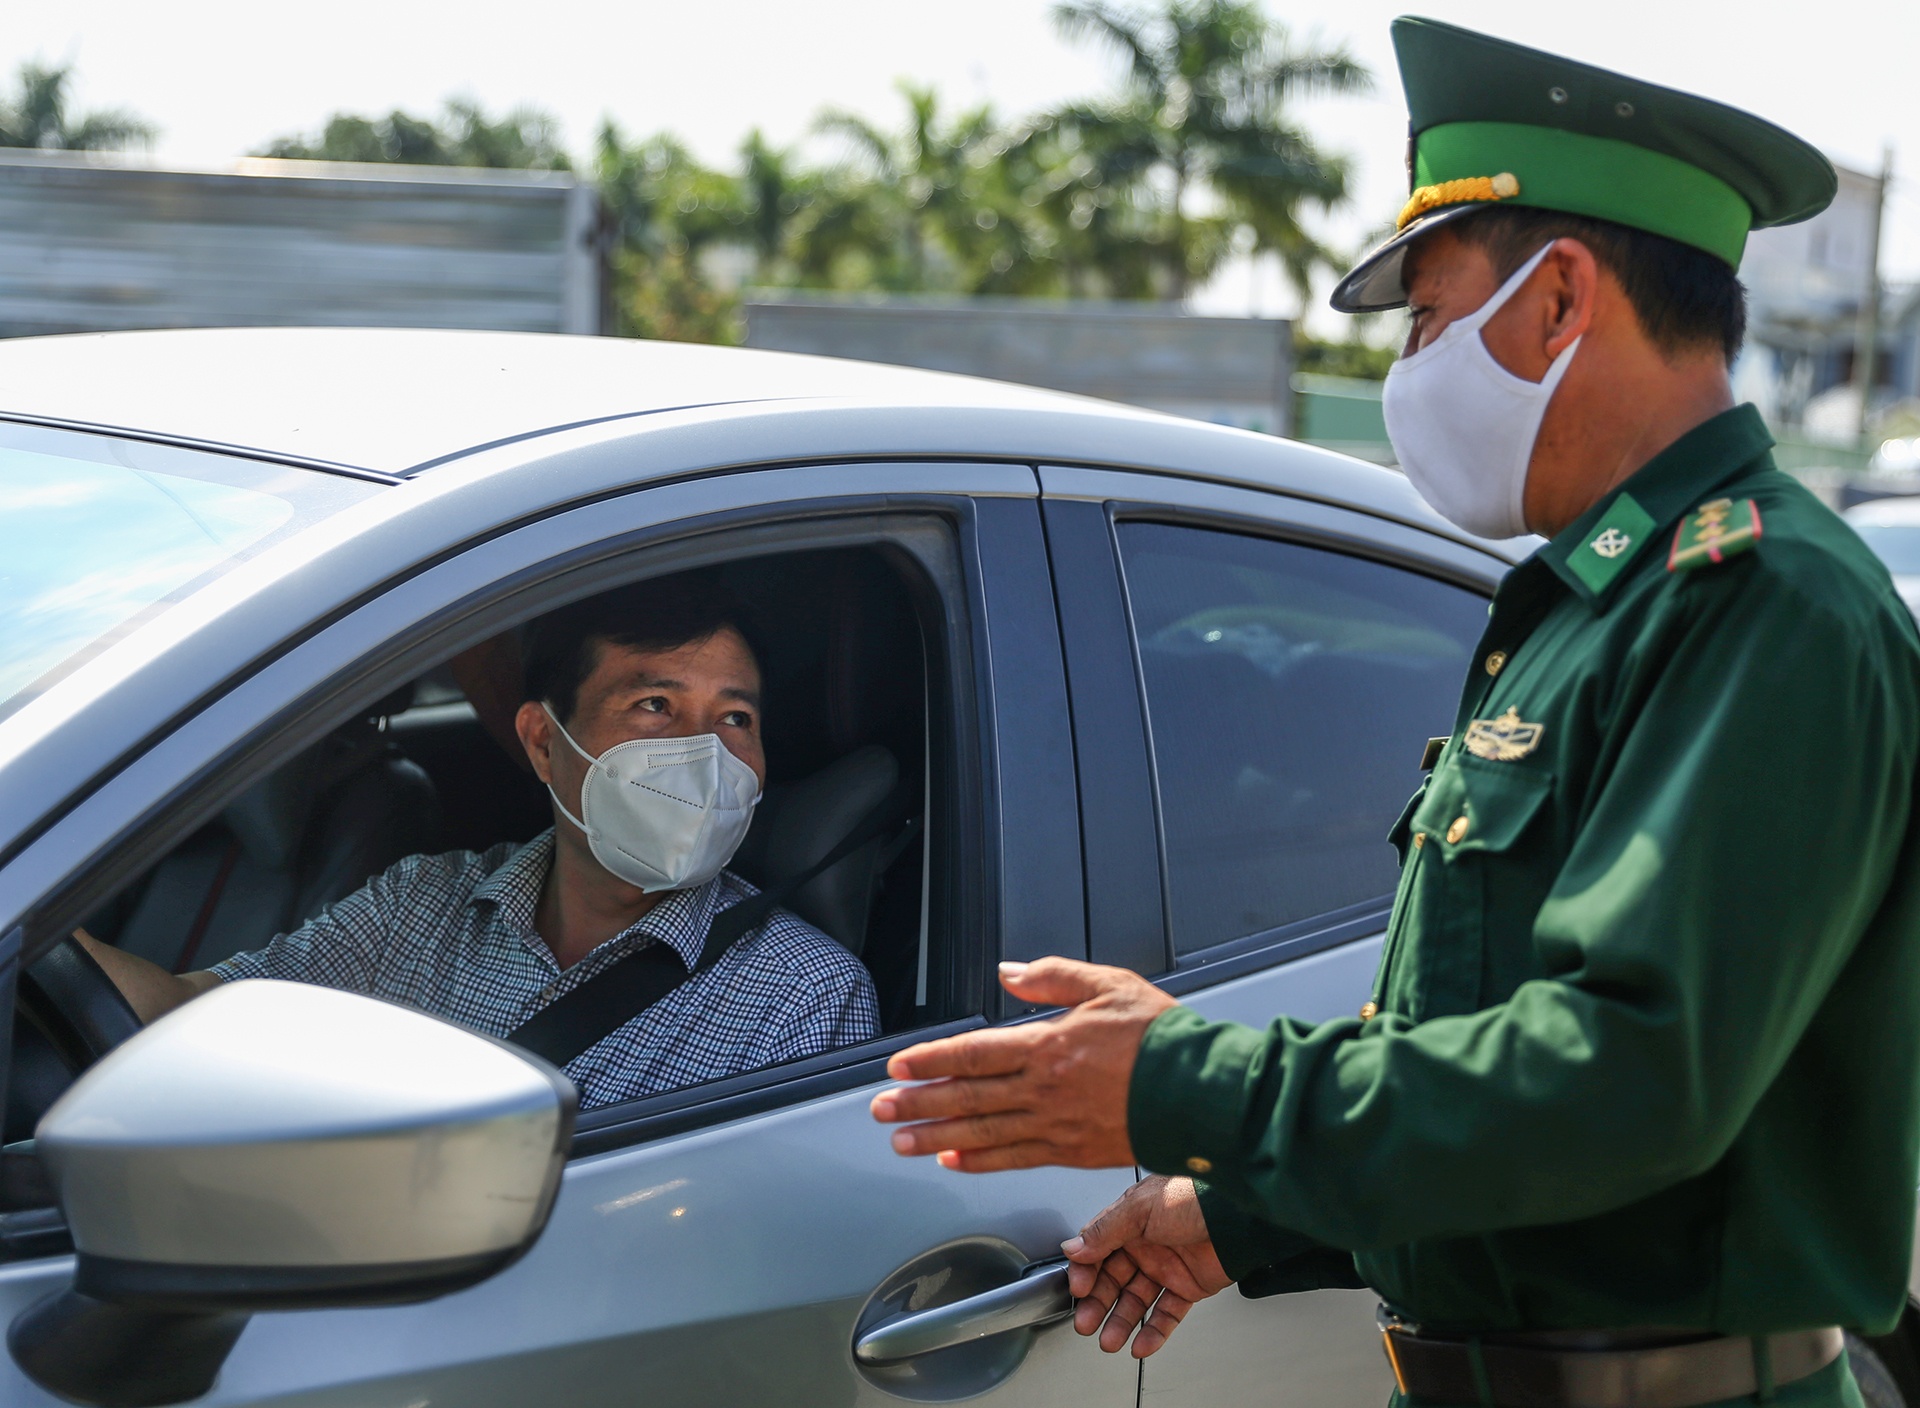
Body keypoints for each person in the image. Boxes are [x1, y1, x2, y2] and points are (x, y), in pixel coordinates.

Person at [870, 18, 1920, 1408]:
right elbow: (1481, 1064)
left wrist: (1183, 1084)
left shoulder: (1762, 605)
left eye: (1428, 316)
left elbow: (1625, 1081)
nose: (1411, 367)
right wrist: (1241, 1217)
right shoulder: (1596, 607)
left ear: (1558, 300)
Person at [81, 574, 879, 1106]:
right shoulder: (422, 905)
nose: (704, 752)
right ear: (542, 742)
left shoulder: (803, 998)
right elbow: (196, 1013)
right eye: (654, 707)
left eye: (735, 717)